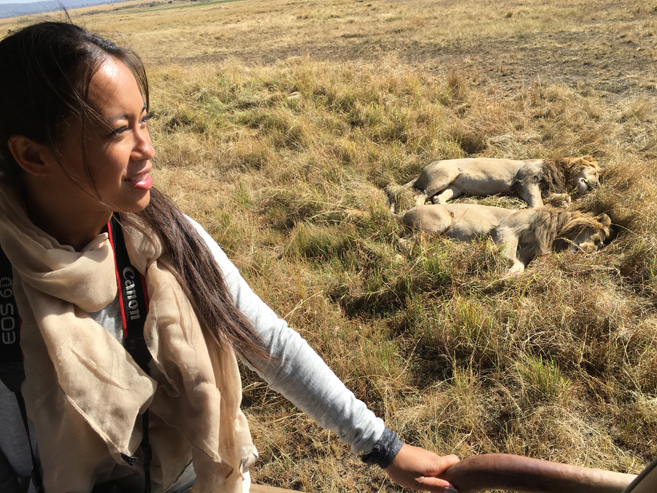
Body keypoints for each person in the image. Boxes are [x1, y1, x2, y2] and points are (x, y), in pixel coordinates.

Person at [0, 21, 460, 493]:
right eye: (119, 131)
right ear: (32, 156)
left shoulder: (163, 237)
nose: (148, 148)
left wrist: (384, 447)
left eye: (145, 120)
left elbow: (269, 344)